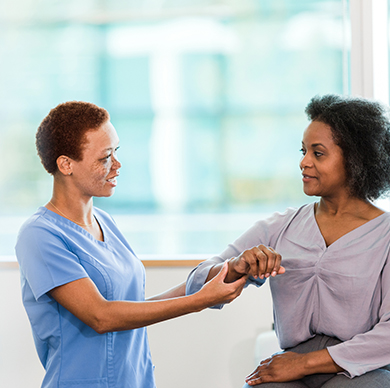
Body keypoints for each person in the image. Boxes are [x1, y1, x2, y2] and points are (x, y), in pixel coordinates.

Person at [185, 94, 390, 387]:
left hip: (374, 367)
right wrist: (236, 267)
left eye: (318, 153)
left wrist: (304, 364)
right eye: (303, 151)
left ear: (355, 158)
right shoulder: (281, 227)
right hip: (292, 362)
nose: (303, 162)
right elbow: (197, 284)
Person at [15, 101, 258, 388]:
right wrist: (197, 301)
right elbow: (101, 315)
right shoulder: (39, 235)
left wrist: (213, 280)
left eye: (116, 152)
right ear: (66, 164)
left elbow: (132, 309)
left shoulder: (106, 223)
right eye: (105, 157)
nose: (116, 165)